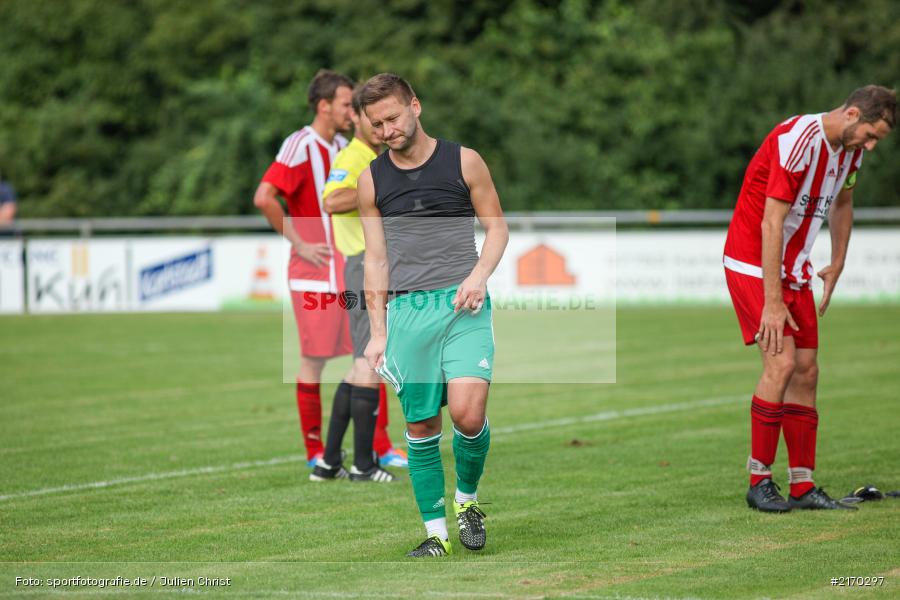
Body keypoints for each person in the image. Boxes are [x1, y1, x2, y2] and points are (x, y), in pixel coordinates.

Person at [356, 73, 509, 556]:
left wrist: (478, 275)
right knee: (422, 427)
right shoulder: (371, 180)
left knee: (468, 414)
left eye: (393, 118)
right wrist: (377, 332)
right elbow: (375, 259)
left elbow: (497, 228)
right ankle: (436, 534)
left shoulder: (464, 161)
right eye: (377, 125)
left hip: (464, 305)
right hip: (406, 311)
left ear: (415, 106)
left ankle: (467, 500)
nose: (387, 131)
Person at [724, 85, 896, 512]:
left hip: (794, 267)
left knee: (807, 371)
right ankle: (759, 481)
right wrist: (772, 301)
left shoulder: (850, 153)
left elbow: (843, 203)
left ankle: (802, 486)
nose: (870, 147)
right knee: (781, 363)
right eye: (870, 135)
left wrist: (837, 261)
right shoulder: (796, 140)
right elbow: (771, 223)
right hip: (753, 263)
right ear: (852, 114)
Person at [253, 69, 355, 468]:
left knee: (369, 354)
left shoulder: (345, 146)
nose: (352, 111)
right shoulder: (299, 145)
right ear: (324, 106)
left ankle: (378, 447)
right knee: (314, 360)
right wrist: (298, 242)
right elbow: (264, 197)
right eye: (346, 104)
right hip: (314, 275)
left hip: (349, 270)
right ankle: (315, 451)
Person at [309, 85, 404, 483]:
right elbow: (331, 200)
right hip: (364, 266)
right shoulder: (353, 156)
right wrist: (380, 188)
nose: (380, 126)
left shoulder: (372, 156)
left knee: (359, 367)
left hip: (369, 265)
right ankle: (364, 465)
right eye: (372, 119)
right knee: (369, 363)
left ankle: (329, 462)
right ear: (360, 121)